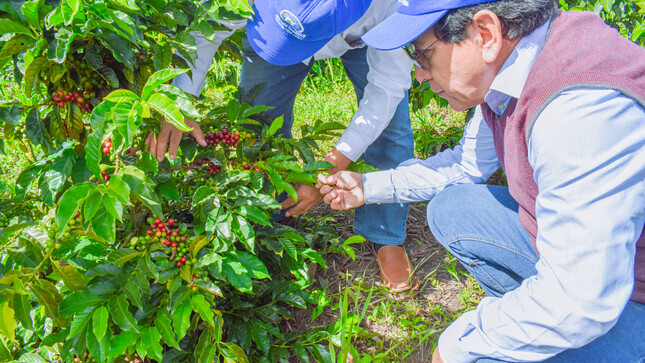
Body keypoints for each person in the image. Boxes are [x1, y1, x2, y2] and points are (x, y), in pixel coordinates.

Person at [318, 0, 645, 361]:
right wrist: (367, 187)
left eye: (422, 55)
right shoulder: (514, 70)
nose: (420, 74)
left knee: (482, 353)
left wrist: (460, 344)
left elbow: (582, 299)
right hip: (612, 267)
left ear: (486, 33)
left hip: (620, 290)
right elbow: (465, 166)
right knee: (455, 210)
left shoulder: (578, 113)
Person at [145, 0, 421, 292]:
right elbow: (203, 29)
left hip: (364, 35)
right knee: (258, 123)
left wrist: (333, 164)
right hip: (272, 30)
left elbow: (387, 88)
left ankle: (385, 233)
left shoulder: (392, 5)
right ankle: (271, 223)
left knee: (391, 130)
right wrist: (179, 100)